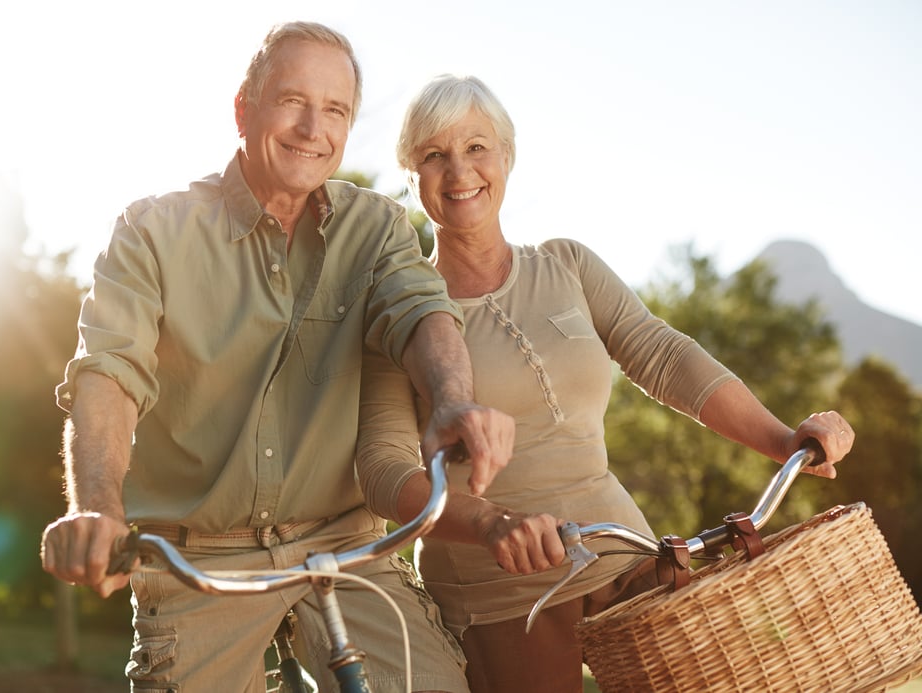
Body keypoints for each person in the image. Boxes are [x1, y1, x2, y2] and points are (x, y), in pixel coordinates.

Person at [40, 26, 516, 693]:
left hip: (348, 547)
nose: (311, 127)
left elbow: (422, 310)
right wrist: (99, 508)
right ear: (244, 108)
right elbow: (109, 374)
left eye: (336, 110)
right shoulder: (153, 231)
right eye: (293, 100)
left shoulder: (373, 227)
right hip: (200, 555)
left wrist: (452, 398)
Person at [355, 73, 856, 693]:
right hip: (501, 588)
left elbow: (664, 356)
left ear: (507, 156)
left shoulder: (568, 265)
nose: (460, 171)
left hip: (626, 551)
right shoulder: (397, 315)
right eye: (434, 155)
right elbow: (383, 471)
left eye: (477, 147)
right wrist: (489, 523)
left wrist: (784, 441)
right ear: (411, 174)